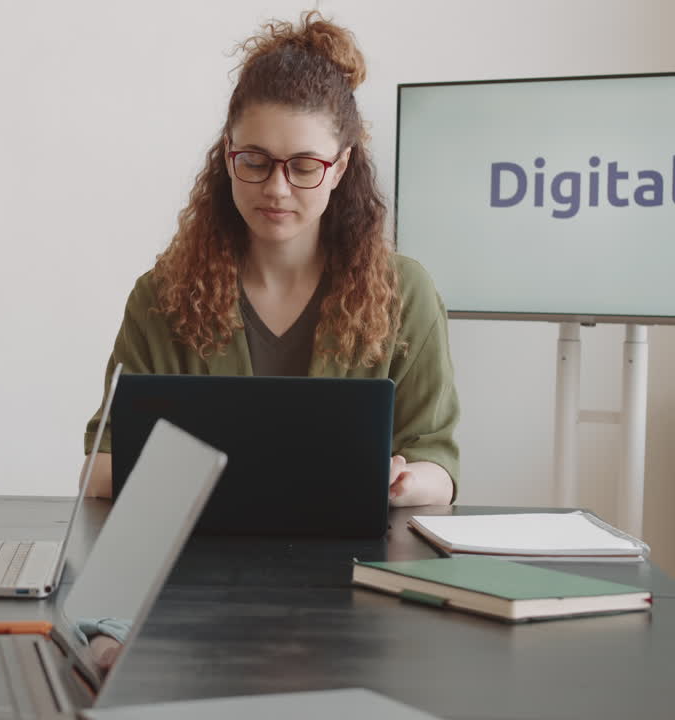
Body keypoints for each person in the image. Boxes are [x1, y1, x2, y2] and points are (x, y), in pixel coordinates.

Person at [83, 12, 460, 507]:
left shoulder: (404, 292)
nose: (277, 189)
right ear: (228, 154)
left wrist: (405, 483)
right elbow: (100, 469)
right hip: (196, 569)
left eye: (304, 166)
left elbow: (437, 461)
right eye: (255, 162)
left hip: (352, 562)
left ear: (340, 165)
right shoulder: (162, 296)